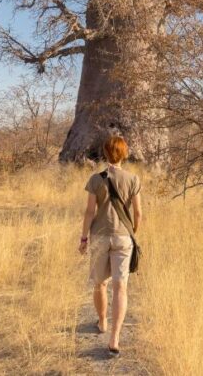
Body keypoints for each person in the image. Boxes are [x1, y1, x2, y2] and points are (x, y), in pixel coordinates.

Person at [78, 135, 142, 356]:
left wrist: (84, 238)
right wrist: (131, 234)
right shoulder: (133, 179)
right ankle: (115, 337)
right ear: (124, 154)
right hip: (124, 237)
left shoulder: (96, 180)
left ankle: (103, 322)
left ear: (105, 153)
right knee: (121, 287)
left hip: (100, 237)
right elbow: (138, 214)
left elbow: (89, 212)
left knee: (100, 284)